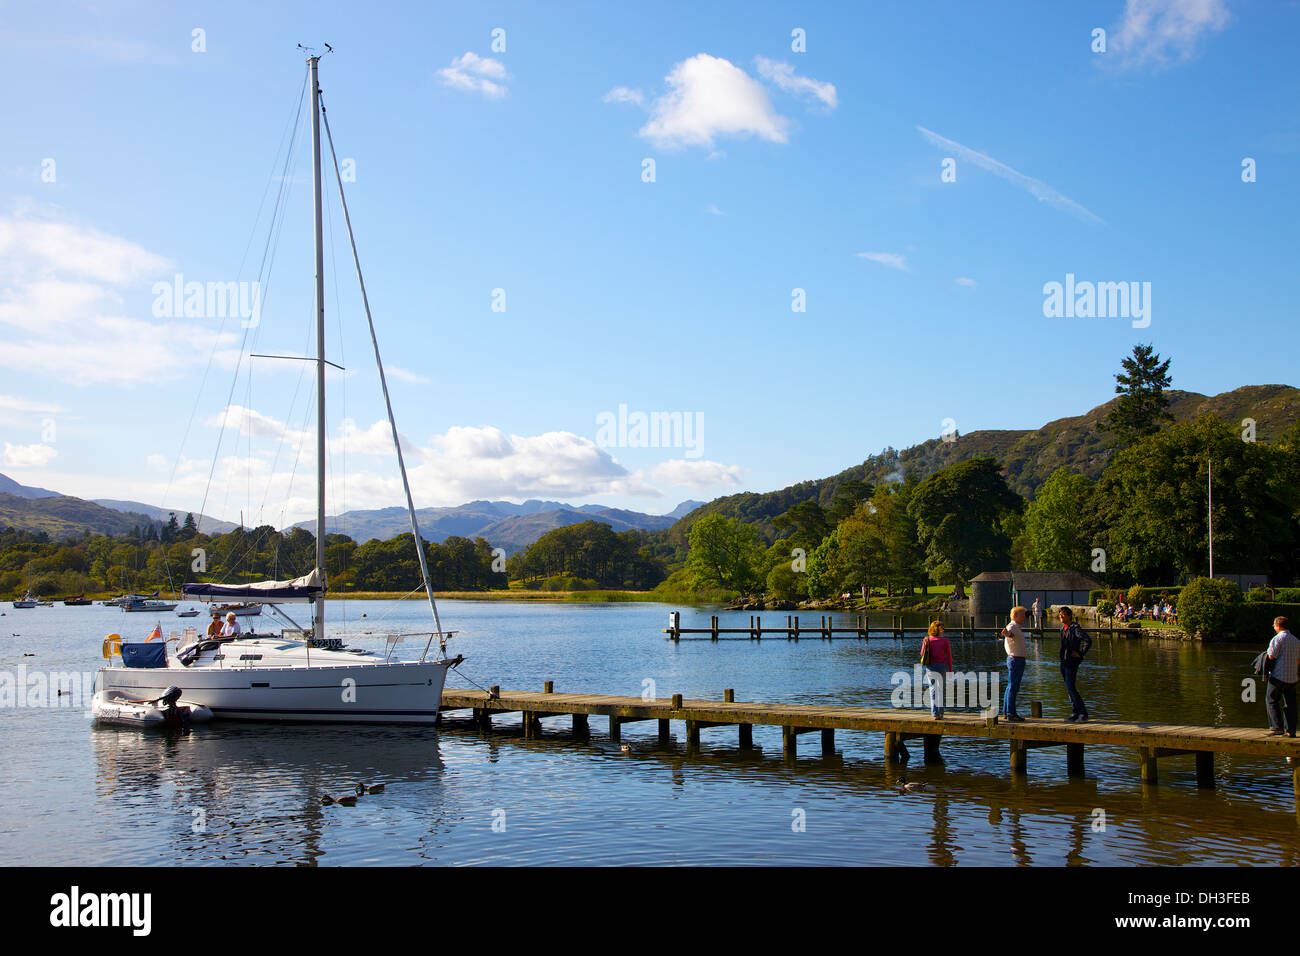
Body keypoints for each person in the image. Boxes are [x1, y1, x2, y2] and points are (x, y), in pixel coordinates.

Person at [1265, 616, 1299, 738]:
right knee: (1290, 704)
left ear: (1278, 626)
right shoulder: (1296, 640)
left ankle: (1277, 727)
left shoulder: (1277, 638)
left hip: (1278, 676)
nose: (1274, 627)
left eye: (1274, 625)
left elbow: (1271, 656)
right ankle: (1291, 730)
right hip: (1292, 677)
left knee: (1271, 700)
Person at [1058, 607, 1092, 722]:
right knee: (1069, 688)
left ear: (1069, 616)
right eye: (1060, 615)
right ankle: (1075, 712)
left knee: (1071, 687)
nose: (1061, 617)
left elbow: (1087, 640)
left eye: (1063, 615)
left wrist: (1081, 653)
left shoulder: (1075, 628)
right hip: (1063, 661)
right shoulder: (1063, 629)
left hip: (1072, 662)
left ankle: (1082, 713)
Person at [1001, 606, 1029, 721]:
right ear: (1015, 616)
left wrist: (1008, 634)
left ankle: (1007, 712)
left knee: (1010, 686)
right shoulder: (1012, 626)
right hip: (1016, 660)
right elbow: (1009, 634)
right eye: (1022, 615)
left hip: (1016, 659)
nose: (1024, 617)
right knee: (1013, 687)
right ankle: (1011, 713)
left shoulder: (1016, 627)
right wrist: (1006, 634)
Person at [922, 621, 953, 719]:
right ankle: (941, 713)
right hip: (942, 666)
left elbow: (922, 653)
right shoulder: (945, 641)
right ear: (937, 629)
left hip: (930, 667)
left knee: (933, 690)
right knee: (940, 690)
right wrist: (950, 670)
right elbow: (949, 657)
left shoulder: (927, 639)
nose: (943, 630)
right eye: (942, 628)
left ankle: (935, 714)